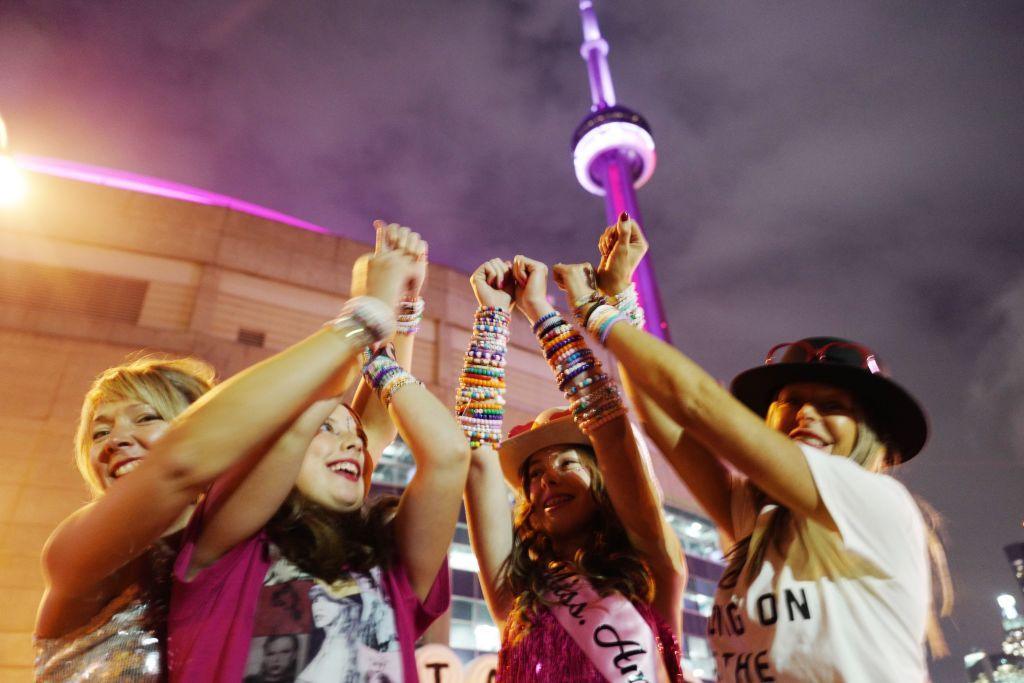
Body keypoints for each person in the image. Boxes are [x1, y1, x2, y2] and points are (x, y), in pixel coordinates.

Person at [555, 212, 953, 682]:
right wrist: (620, 294)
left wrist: (596, 313)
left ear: (870, 432)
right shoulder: (757, 519)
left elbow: (694, 402)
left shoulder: (875, 502)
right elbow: (663, 422)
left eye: (832, 406)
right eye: (793, 401)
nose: (807, 414)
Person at [33, 220, 423, 681]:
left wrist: (402, 306)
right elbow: (177, 465)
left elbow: (367, 430)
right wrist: (363, 319)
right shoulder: (75, 549)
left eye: (147, 418)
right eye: (98, 433)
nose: (115, 440)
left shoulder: (250, 532)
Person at [168, 227, 469, 683]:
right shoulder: (230, 553)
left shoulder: (390, 566)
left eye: (354, 438)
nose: (352, 442)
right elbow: (302, 416)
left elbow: (446, 454)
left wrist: (400, 311)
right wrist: (373, 303)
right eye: (326, 429)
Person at [458, 256, 687, 682]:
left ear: (603, 482)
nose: (547, 479)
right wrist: (491, 316)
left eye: (567, 463)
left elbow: (612, 430)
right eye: (534, 475)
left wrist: (539, 310)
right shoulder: (518, 593)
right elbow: (476, 462)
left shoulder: (651, 567)